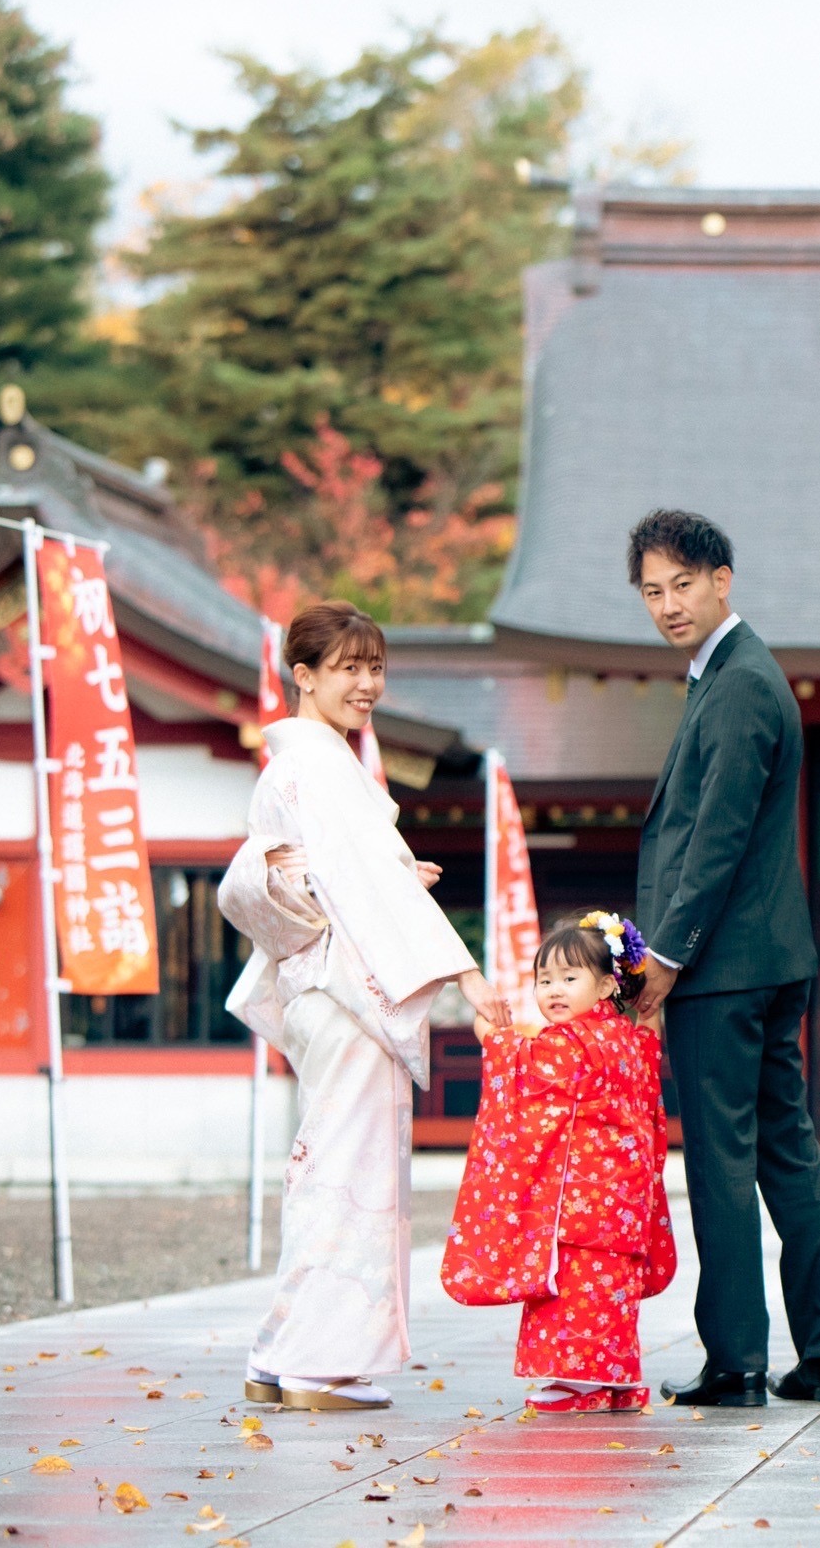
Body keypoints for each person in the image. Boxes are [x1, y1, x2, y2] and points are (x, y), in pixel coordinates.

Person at [220, 600, 503, 1412]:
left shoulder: (298, 766)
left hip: (320, 993)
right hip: (345, 1000)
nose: (366, 684)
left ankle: (278, 1356)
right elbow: (365, 882)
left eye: (374, 666)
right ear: (302, 676)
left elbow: (342, 878)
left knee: (322, 1168)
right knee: (349, 1173)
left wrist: (381, 881)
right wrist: (468, 978)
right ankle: (317, 1365)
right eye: (347, 667)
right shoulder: (320, 767)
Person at [629, 509, 820, 1407]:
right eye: (652, 591)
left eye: (684, 584)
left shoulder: (737, 685)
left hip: (721, 967)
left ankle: (737, 1361)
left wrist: (666, 957)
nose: (669, 604)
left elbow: (714, 839)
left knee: (723, 1159)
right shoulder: (736, 677)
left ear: (723, 579)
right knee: (788, 1152)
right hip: (765, 957)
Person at [441, 911, 677, 1413]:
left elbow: (522, 1066)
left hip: (583, 1201)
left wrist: (489, 1029)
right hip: (626, 1201)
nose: (553, 990)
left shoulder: (571, 1042)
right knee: (612, 1293)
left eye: (569, 979)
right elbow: (651, 1036)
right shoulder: (630, 1042)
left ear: (607, 986)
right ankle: (618, 1380)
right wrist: (649, 1009)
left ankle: (581, 1384)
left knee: (576, 1289)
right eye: (543, 979)